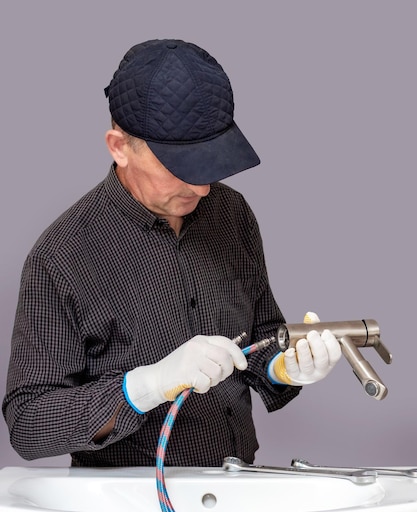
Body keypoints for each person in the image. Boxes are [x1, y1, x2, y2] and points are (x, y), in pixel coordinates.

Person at [2, 39, 341, 467]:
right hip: (127, 509)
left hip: (236, 488)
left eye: (211, 163)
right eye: (181, 167)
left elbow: (260, 336)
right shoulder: (62, 257)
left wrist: (283, 368)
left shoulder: (231, 214)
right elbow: (29, 424)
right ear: (119, 147)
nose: (201, 187)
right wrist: (145, 386)